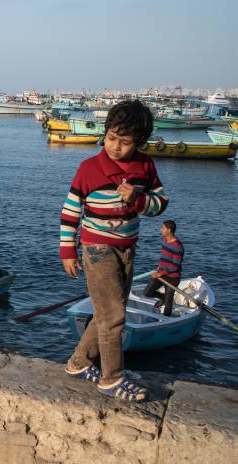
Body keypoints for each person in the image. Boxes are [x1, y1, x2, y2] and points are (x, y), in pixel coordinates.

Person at [59, 100, 168, 402]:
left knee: (107, 312)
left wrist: (139, 199)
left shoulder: (145, 167)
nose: (116, 147)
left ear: (139, 142)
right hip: (97, 248)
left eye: (125, 142)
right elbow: (70, 212)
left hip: (127, 249)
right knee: (114, 315)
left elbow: (160, 204)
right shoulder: (89, 168)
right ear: (105, 133)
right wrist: (67, 251)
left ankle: (79, 363)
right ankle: (112, 379)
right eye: (111, 138)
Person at [142, 220, 184, 316]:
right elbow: (164, 258)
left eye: (162, 228)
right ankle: (163, 297)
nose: (160, 230)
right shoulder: (165, 241)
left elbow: (175, 266)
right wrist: (159, 268)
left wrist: (160, 273)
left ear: (169, 230)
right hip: (161, 273)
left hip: (172, 278)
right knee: (147, 292)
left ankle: (166, 319)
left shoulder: (177, 246)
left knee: (168, 305)